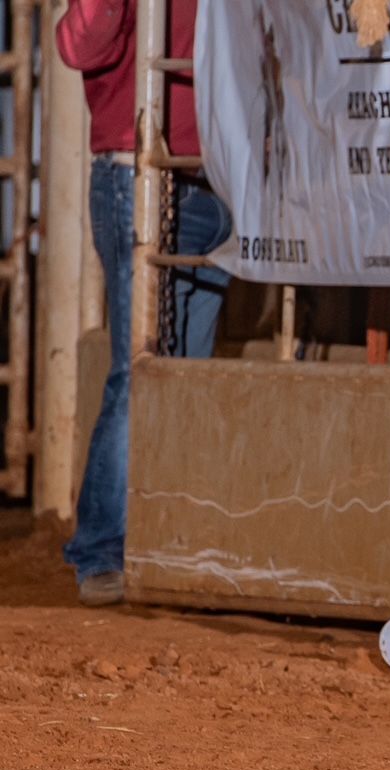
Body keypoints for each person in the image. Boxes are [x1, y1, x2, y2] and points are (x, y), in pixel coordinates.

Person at [57, 0, 232, 606]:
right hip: (140, 174)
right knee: (140, 370)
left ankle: (162, 545)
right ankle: (102, 548)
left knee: (188, 374)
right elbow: (77, 46)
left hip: (219, 179)